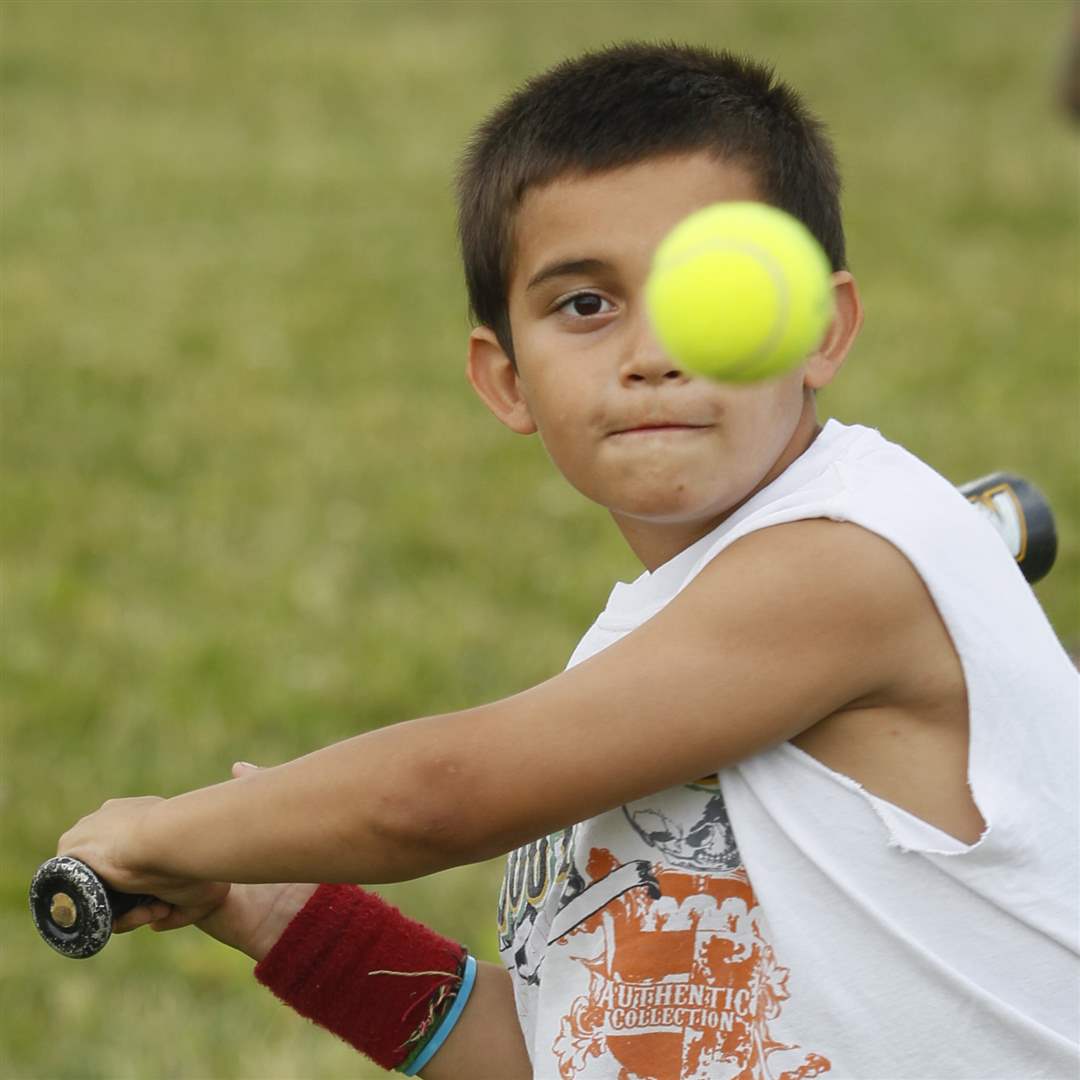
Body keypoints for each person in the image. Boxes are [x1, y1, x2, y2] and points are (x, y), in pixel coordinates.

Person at [56, 42, 1079, 1080]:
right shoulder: (647, 653)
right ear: (506, 379)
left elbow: (439, 796)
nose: (654, 353)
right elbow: (574, 1049)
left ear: (821, 329)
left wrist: (166, 832)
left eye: (714, 291)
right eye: (586, 305)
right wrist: (280, 912)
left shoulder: (847, 565)